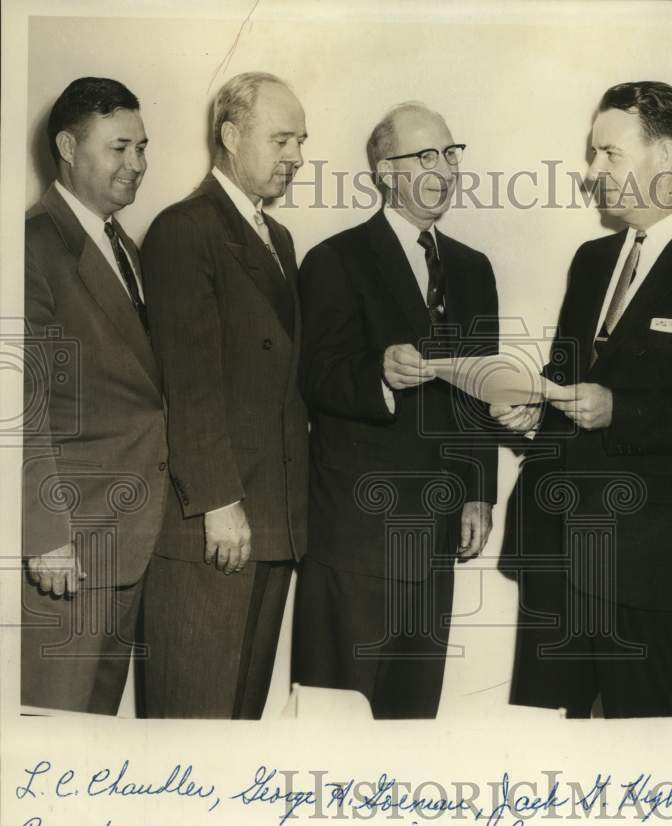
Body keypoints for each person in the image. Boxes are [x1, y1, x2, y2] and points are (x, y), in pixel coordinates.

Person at [494, 81, 672, 718]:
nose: (593, 172)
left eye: (609, 155)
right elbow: (563, 376)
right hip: (554, 553)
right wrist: (529, 407)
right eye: (593, 155)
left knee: (650, 754)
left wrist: (621, 410)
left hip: (643, 566)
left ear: (667, 160)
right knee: (546, 759)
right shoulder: (591, 260)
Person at [293, 102, 499, 719]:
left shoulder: (474, 269)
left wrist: (479, 491)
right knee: (338, 723)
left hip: (435, 537)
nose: (444, 168)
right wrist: (377, 372)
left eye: (450, 153)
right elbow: (315, 376)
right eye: (425, 156)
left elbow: (480, 391)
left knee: (411, 724)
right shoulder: (334, 259)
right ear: (386, 172)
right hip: (355, 536)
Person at [139, 72, 309, 719]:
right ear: (231, 136)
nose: (296, 156)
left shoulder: (279, 239)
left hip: (270, 523)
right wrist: (218, 501)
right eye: (282, 138)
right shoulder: (185, 228)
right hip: (217, 525)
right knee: (192, 729)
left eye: (301, 141)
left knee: (237, 727)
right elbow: (190, 381)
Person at [21, 77, 167, 714]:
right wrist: (46, 534)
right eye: (118, 148)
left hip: (127, 542)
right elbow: (19, 412)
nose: (136, 165)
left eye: (142, 147)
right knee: (50, 737)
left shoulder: (125, 249)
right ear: (67, 147)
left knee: (94, 740)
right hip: (69, 548)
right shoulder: (30, 245)